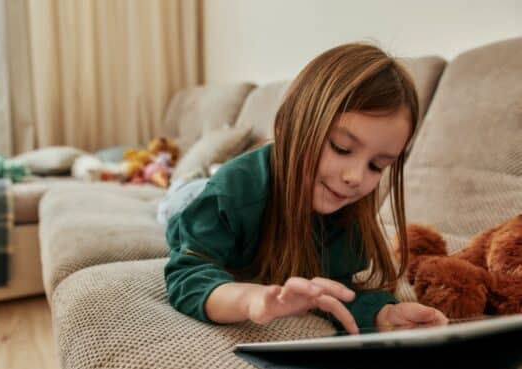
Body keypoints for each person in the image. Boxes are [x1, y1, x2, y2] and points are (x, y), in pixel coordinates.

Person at [164, 43, 449, 335]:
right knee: (179, 197)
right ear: (286, 126)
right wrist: (250, 299)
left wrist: (384, 313)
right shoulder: (234, 190)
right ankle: (183, 179)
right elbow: (188, 274)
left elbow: (337, 289)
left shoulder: (346, 210)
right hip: (191, 198)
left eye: (377, 166)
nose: (355, 177)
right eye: (341, 148)